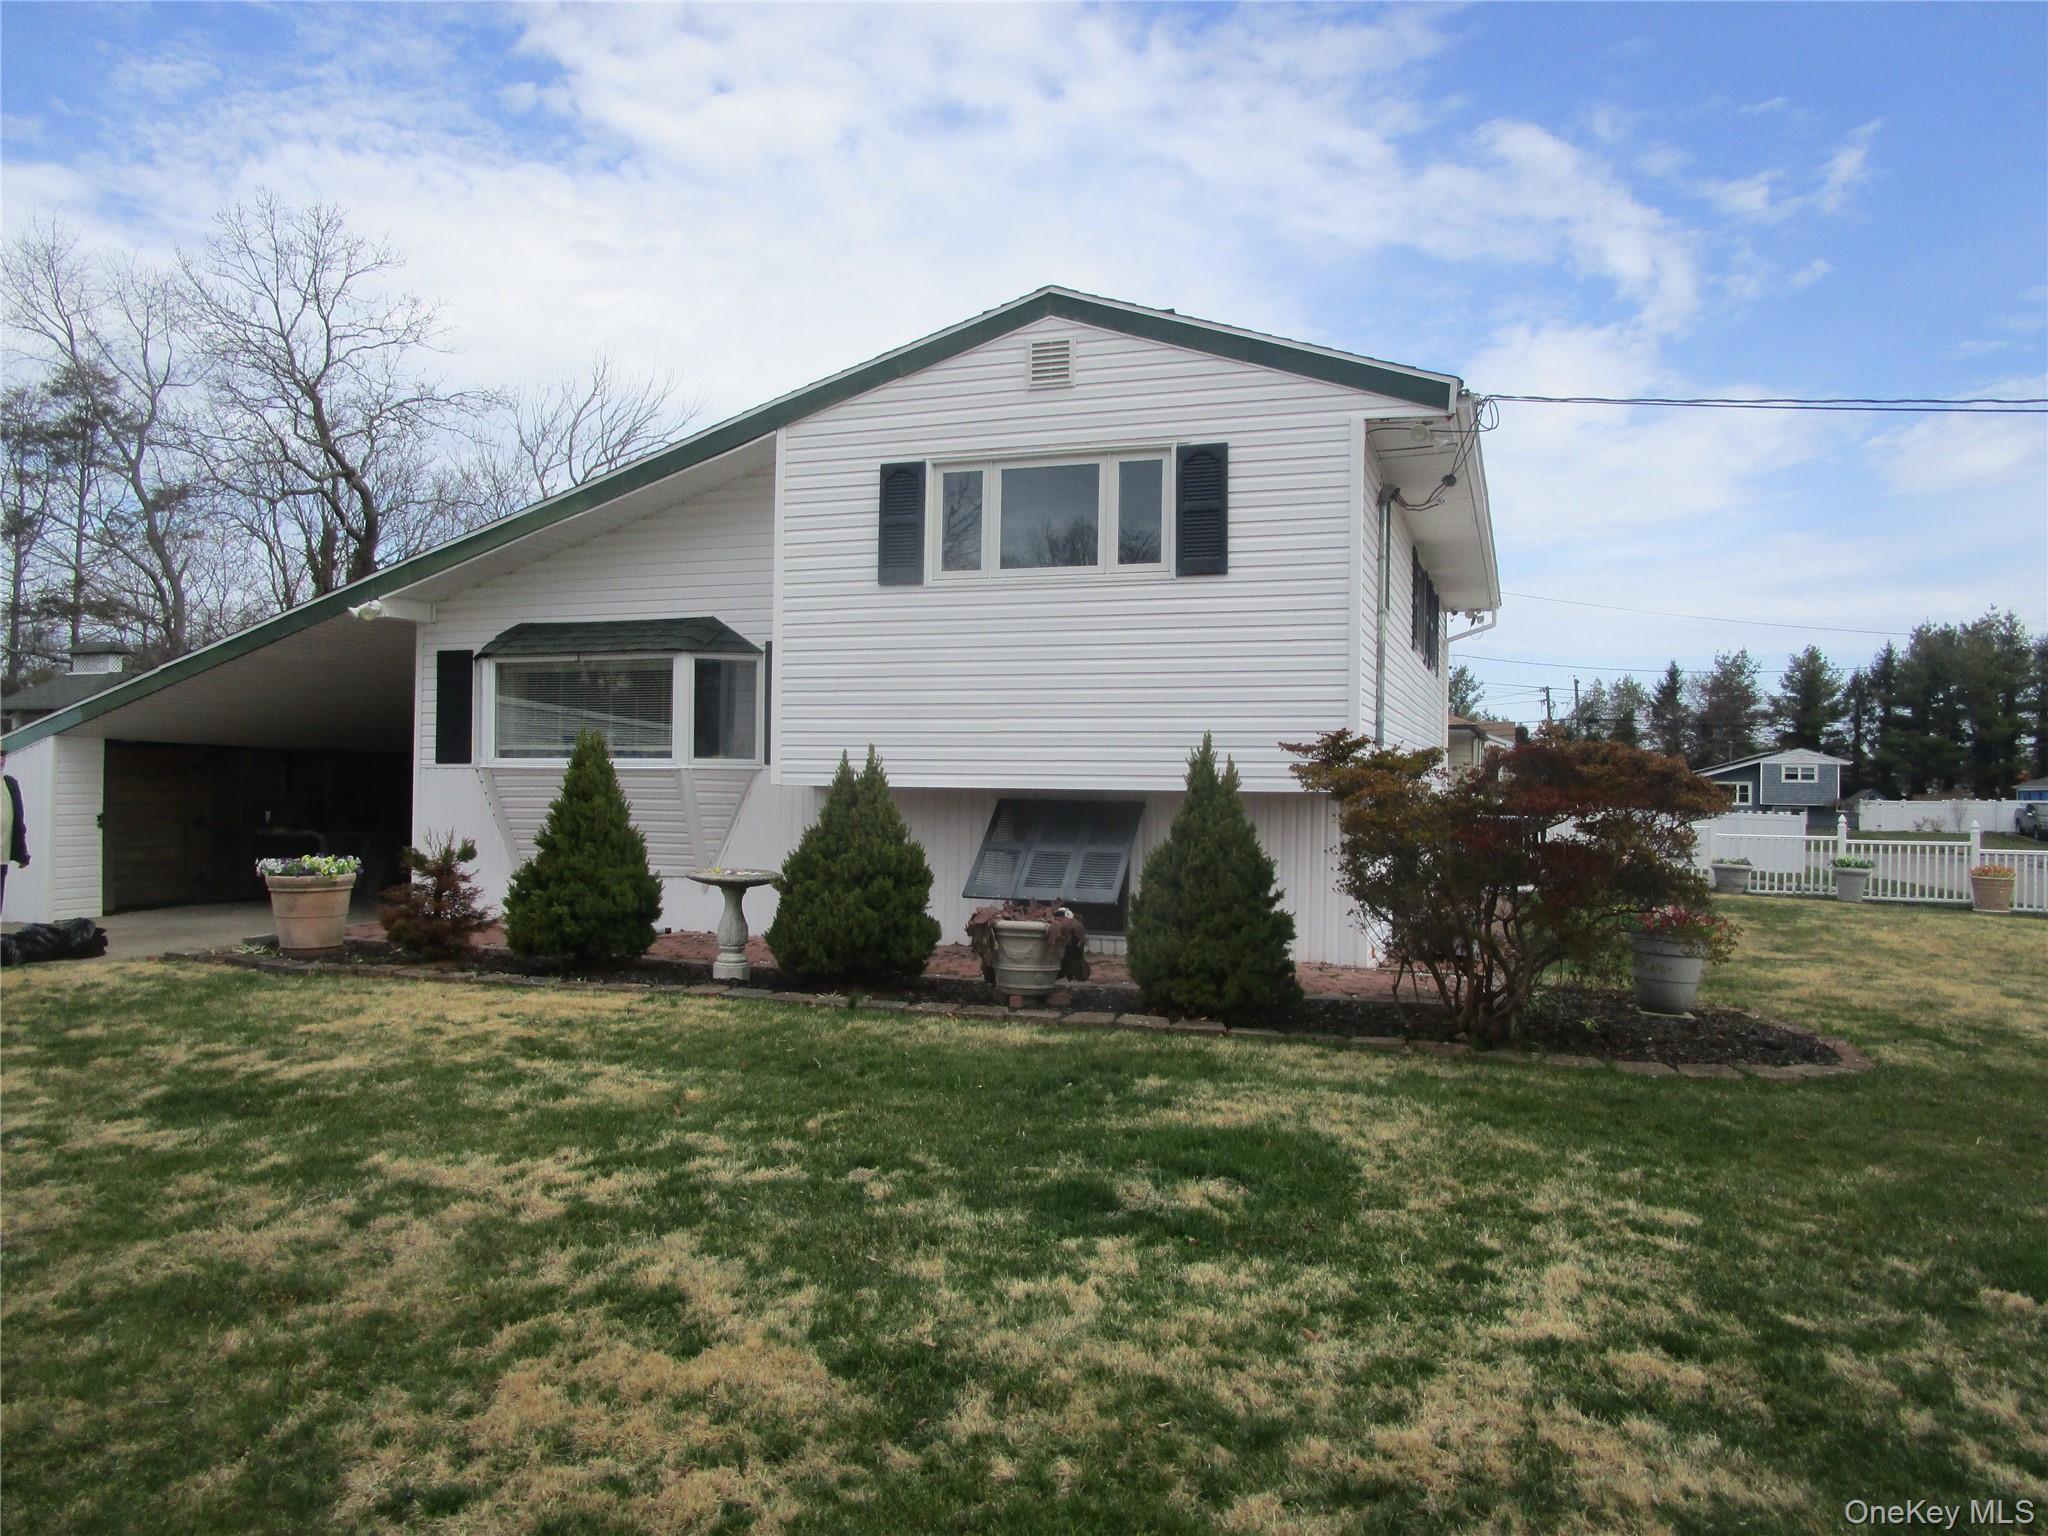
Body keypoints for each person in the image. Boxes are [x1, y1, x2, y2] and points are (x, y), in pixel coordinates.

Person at [0, 744, 28, 916]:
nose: (1, 759)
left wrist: (22, 853)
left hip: (2, 854)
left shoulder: (9, 784)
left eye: (2, 755)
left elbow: (18, 821)